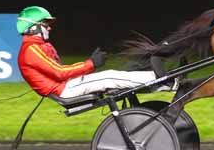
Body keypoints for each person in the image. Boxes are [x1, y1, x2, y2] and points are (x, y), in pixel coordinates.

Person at [16, 6, 174, 99]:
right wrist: (91, 63)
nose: (49, 27)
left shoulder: (36, 47)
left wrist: (89, 64)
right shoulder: (31, 50)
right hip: (64, 90)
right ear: (33, 27)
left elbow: (61, 72)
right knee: (109, 77)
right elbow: (60, 73)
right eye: (45, 24)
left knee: (113, 75)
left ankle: (161, 81)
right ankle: (163, 79)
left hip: (66, 86)